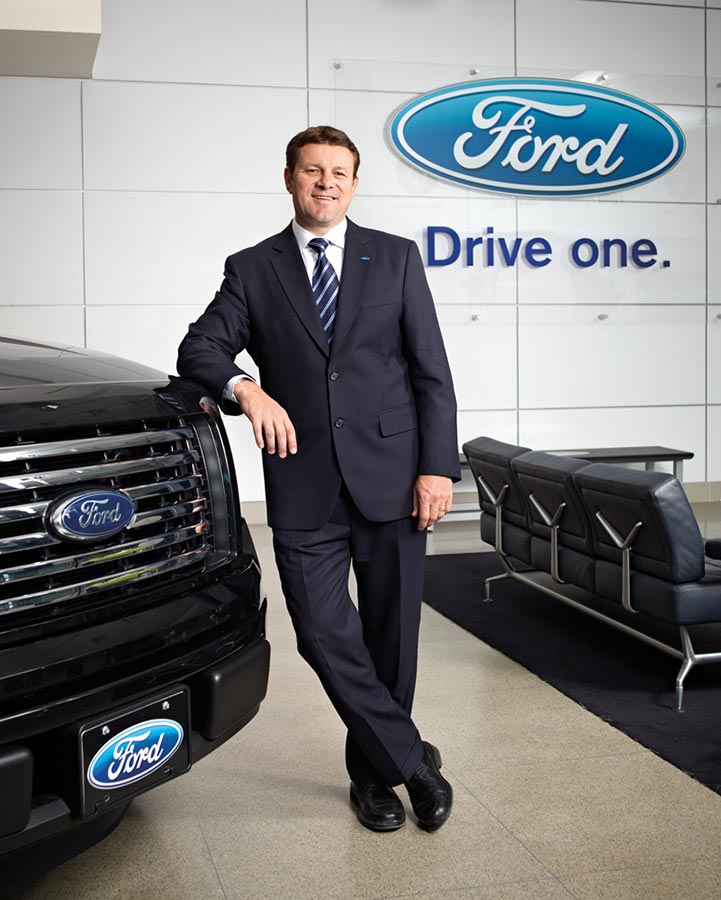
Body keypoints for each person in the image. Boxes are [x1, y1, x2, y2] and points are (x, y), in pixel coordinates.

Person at [177, 125, 460, 832]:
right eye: (311, 171)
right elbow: (200, 346)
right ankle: (412, 763)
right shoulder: (253, 268)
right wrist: (248, 390)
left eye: (338, 172)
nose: (325, 183)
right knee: (322, 633)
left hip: (395, 480)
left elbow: (431, 373)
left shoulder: (394, 258)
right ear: (289, 179)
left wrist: (436, 468)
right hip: (304, 487)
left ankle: (372, 779)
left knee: (391, 638)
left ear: (354, 183)